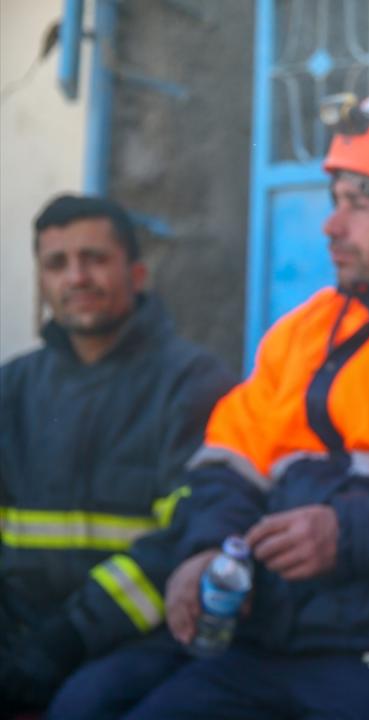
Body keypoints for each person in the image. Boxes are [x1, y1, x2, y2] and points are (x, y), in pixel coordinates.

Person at [61, 87, 369, 720]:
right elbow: (227, 462)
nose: (331, 224)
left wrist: (348, 534)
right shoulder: (304, 329)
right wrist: (204, 549)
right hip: (257, 644)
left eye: (358, 203)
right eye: (333, 200)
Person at [0, 195, 235, 714]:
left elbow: (182, 539)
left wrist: (68, 637)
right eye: (57, 264)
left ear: (137, 273)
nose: (76, 277)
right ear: (41, 281)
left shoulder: (192, 382)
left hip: (139, 638)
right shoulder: (11, 387)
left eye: (94, 258)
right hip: (21, 631)